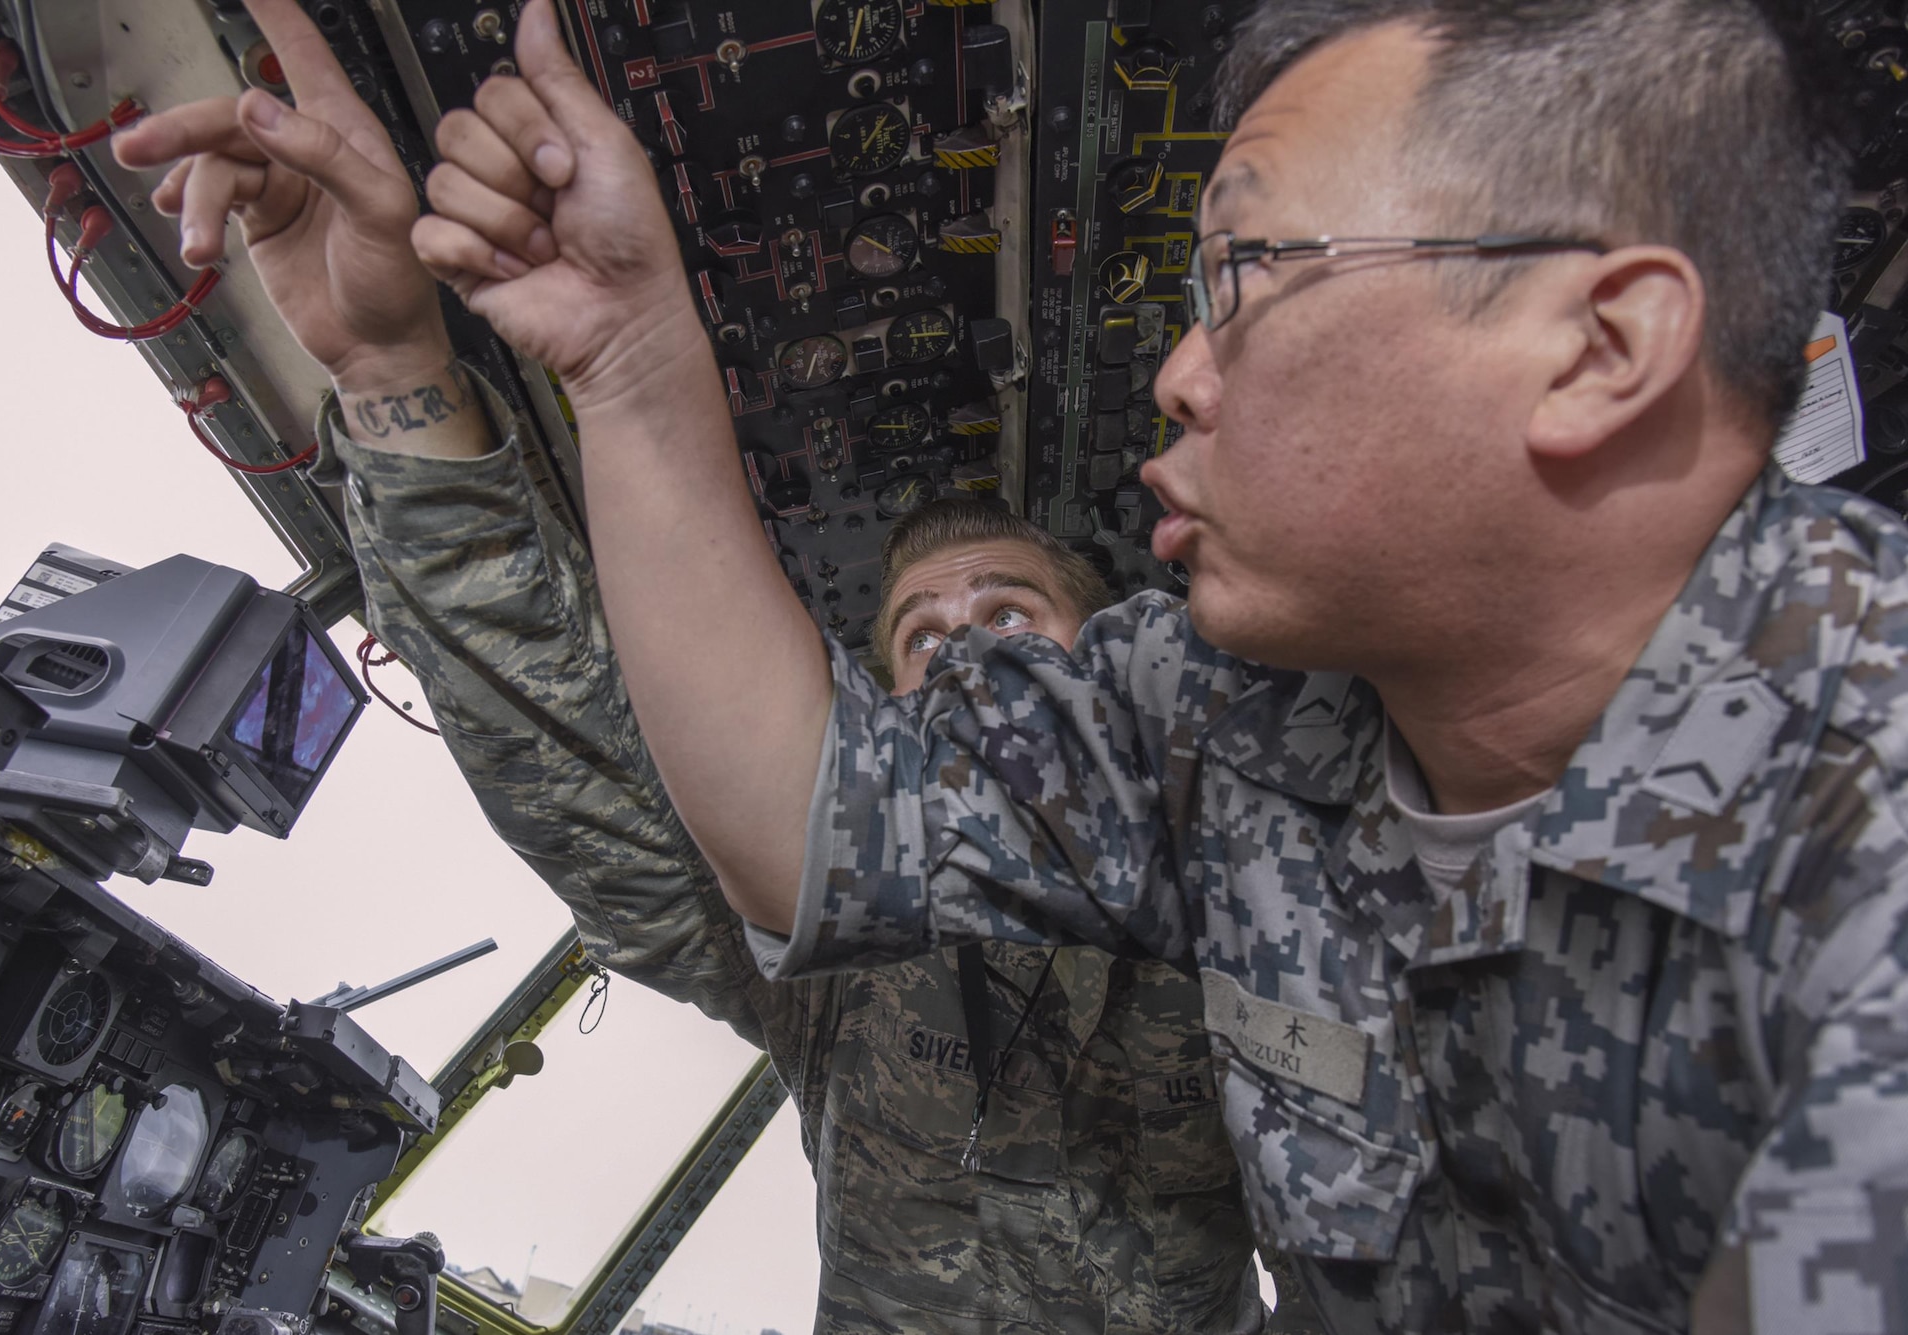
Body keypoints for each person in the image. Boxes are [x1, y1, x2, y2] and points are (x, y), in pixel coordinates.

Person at [409, 0, 1908, 1331]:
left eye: (1246, 277)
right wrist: (630, 359)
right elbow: (809, 807)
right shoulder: (1206, 717)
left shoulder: (1863, 838)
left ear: (1598, 347)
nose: (1181, 374)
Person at [109, 2, 1285, 1328]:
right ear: (875, 720)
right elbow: (569, 732)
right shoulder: (824, 960)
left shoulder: (1262, 887)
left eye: (1013, 619)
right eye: (925, 638)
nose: (966, 658)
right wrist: (390, 368)